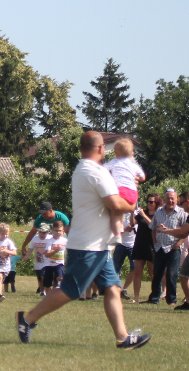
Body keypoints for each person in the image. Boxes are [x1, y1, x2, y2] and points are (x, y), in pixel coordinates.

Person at [17, 131, 148, 349]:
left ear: (80, 149)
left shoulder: (84, 169)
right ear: (100, 149)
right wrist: (133, 202)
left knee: (113, 288)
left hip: (98, 244)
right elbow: (116, 204)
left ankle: (122, 337)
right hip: (88, 245)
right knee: (71, 290)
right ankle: (27, 320)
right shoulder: (96, 172)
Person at [146, 188, 187, 305]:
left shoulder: (181, 213)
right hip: (160, 247)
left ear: (177, 199)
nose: (170, 200)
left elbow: (185, 232)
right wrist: (155, 242)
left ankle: (171, 299)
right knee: (157, 273)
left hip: (173, 248)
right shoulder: (159, 211)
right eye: (168, 198)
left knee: (171, 275)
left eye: (173, 198)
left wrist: (178, 244)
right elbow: (153, 228)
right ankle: (154, 298)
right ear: (165, 199)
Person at [104, 138, 146, 237]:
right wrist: (138, 178)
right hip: (133, 194)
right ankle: (121, 226)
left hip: (120, 191)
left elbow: (103, 169)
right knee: (121, 210)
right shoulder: (133, 165)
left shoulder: (114, 162)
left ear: (115, 153)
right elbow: (143, 176)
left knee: (115, 211)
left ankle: (117, 233)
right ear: (131, 153)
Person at [123, 194, 158, 302]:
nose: (149, 204)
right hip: (139, 244)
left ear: (156, 203)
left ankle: (154, 295)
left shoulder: (158, 214)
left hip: (151, 245)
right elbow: (133, 223)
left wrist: (143, 215)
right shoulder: (143, 214)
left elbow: (153, 226)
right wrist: (132, 213)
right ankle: (136, 297)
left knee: (153, 273)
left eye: (151, 202)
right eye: (148, 201)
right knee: (138, 271)